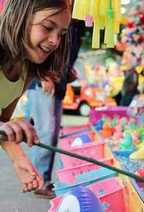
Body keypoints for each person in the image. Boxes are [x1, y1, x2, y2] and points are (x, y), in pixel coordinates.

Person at [0, 0, 71, 193]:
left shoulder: (25, 68)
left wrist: (17, 158)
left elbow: (2, 120)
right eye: (48, 27)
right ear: (20, 17)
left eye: (61, 34)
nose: (55, 41)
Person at [18, 19, 84, 198]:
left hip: (56, 82)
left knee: (51, 134)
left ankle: (42, 179)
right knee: (46, 132)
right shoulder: (61, 11)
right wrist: (43, 75)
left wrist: (67, 70)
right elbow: (36, 42)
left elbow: (63, 52)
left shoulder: (79, 20)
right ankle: (40, 181)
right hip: (44, 81)